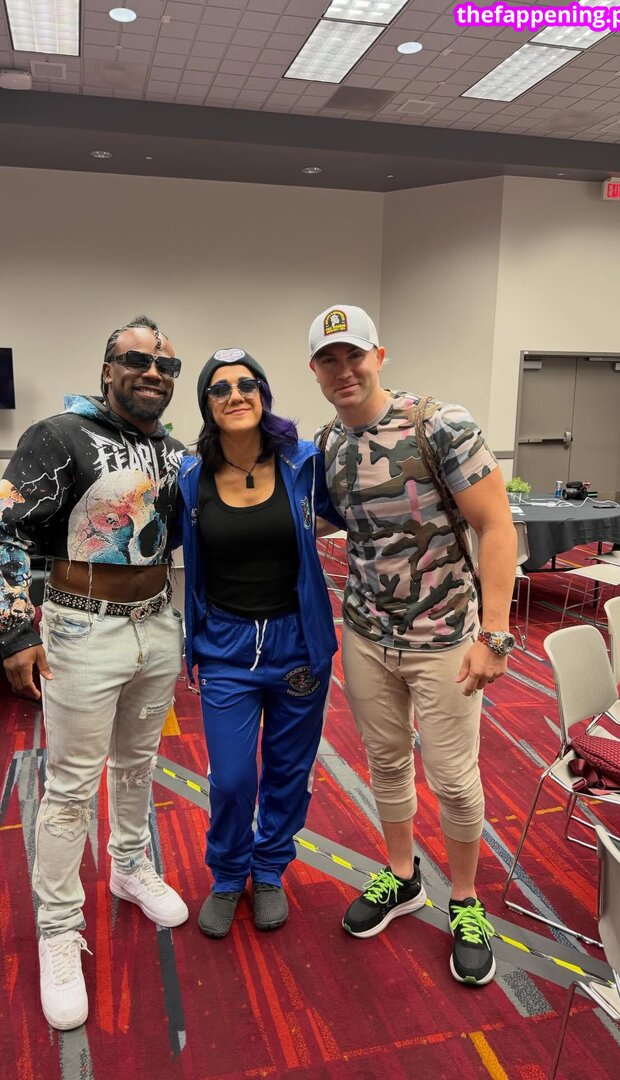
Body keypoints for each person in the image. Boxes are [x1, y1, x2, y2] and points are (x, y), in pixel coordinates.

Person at [0, 315, 189, 1030]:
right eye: (137, 360)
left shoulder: (175, 452)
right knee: (71, 785)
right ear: (108, 369)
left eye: (166, 366)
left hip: (156, 624)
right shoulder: (58, 435)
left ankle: (130, 867)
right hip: (80, 625)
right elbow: (6, 529)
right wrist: (15, 628)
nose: (153, 373)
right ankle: (58, 928)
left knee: (138, 764)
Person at [307, 305, 517, 987]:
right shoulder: (327, 445)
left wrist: (494, 635)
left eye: (354, 355)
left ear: (380, 355)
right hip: (367, 634)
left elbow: (497, 528)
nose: (344, 370)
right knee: (386, 761)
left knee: (454, 779)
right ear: (315, 371)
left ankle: (466, 901)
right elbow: (333, 522)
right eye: (329, 360)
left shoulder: (441, 426)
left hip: (446, 638)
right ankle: (402, 876)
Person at [177, 349, 343, 939]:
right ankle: (228, 874)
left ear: (264, 395)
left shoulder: (305, 462)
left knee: (289, 768)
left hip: (298, 641)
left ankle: (269, 868)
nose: (235, 395)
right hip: (225, 646)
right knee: (230, 777)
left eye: (247, 384)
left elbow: (358, 514)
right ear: (207, 405)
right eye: (220, 389)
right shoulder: (189, 476)